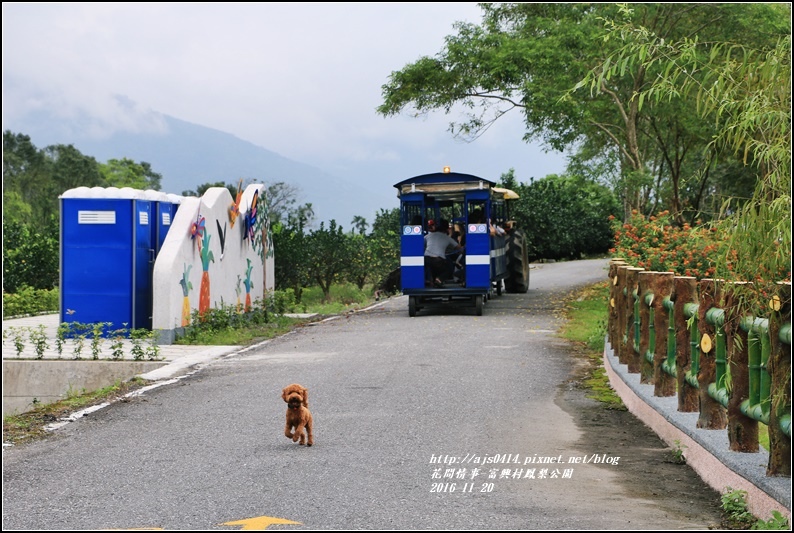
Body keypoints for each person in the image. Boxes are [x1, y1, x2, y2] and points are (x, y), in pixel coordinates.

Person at [424, 219, 463, 287]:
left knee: (430, 266)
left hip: (426, 258)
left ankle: (430, 281)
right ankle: (439, 279)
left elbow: (422, 245)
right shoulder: (447, 238)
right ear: (446, 230)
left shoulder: (427, 236)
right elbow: (459, 248)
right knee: (449, 267)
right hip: (438, 260)